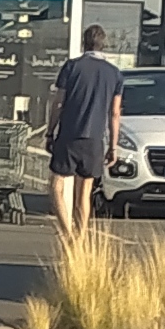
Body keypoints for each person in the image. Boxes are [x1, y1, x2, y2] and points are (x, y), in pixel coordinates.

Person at [46, 24, 124, 238]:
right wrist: (113, 146)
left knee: (56, 185)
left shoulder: (72, 67)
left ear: (84, 43)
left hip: (69, 135)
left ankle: (66, 231)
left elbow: (58, 102)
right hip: (94, 140)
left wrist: (50, 131)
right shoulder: (115, 74)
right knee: (84, 192)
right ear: (104, 44)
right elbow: (115, 113)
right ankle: (79, 239)